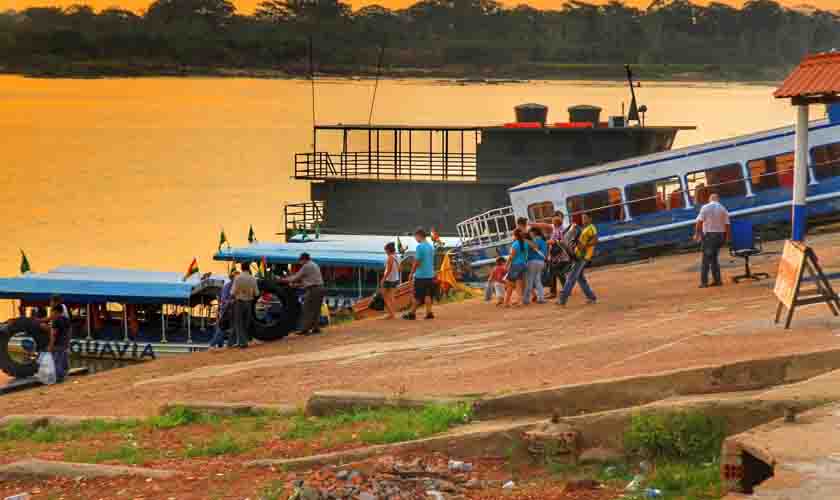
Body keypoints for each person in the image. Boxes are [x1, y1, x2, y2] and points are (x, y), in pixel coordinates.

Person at [557, 212, 598, 306]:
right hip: (578, 255)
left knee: (571, 277)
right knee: (580, 278)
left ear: (590, 219)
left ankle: (562, 300)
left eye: (585, 218)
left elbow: (595, 240)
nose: (583, 220)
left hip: (582, 256)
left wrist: (584, 246)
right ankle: (591, 297)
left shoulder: (591, 227)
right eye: (583, 218)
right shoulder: (584, 229)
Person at [282, 253, 327, 335]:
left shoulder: (306, 266)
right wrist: (297, 285)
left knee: (307, 309)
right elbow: (309, 281)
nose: (300, 262)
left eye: (300, 260)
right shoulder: (314, 264)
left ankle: (305, 329)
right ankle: (315, 328)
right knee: (316, 309)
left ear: (304, 259)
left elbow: (296, 277)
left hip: (314, 290)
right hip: (320, 288)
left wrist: (282, 280)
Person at [693, 193, 731, 288]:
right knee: (714, 258)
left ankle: (704, 282)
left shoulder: (705, 207)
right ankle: (717, 280)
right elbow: (727, 225)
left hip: (709, 236)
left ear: (710, 199)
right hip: (720, 236)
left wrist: (698, 234)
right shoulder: (723, 209)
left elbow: (699, 222)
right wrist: (727, 238)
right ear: (717, 199)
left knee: (705, 260)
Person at [404, 228, 436, 320]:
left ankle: (412, 313)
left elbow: (417, 262)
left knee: (417, 296)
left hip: (421, 275)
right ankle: (429, 312)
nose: (415, 239)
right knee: (428, 294)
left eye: (415, 237)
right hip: (430, 274)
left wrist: (411, 273)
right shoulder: (430, 247)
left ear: (419, 235)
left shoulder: (420, 247)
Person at [231, 262, 259, 348]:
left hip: (239, 302)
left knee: (239, 323)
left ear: (242, 268)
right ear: (248, 268)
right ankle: (243, 341)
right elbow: (257, 293)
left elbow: (232, 292)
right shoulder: (253, 279)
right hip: (249, 303)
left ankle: (242, 343)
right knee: (246, 322)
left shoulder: (238, 278)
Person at [209, 269, 239, 350]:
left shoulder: (236, 286)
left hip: (233, 310)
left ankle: (228, 345)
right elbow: (223, 300)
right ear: (232, 278)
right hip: (226, 311)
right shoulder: (227, 286)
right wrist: (231, 301)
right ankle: (213, 344)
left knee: (231, 328)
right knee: (222, 329)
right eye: (236, 277)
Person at [503, 228, 529, 307]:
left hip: (515, 265)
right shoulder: (526, 243)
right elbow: (525, 255)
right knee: (519, 285)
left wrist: (506, 265)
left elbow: (511, 256)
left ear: (515, 235)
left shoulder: (515, 244)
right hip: (523, 265)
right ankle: (519, 301)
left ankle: (506, 302)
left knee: (510, 284)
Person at [523, 227, 548, 304]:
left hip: (532, 261)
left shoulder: (533, 241)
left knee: (529, 281)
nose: (529, 234)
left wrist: (525, 240)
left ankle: (526, 300)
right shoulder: (543, 241)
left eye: (530, 232)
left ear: (533, 233)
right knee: (538, 281)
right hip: (541, 262)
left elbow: (533, 247)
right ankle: (541, 298)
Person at [48, 304, 71, 382]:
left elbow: (54, 334)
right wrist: (68, 343)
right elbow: (69, 332)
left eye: (52, 311)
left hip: (57, 344)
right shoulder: (66, 319)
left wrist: (51, 346)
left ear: (56, 311)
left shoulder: (56, 320)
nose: (51, 313)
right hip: (64, 343)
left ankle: (59, 378)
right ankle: (64, 376)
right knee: (63, 360)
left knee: (56, 361)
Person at [380, 242, 401, 319]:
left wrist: (383, 279)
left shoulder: (390, 257)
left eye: (385, 250)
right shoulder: (397, 257)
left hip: (389, 279)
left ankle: (391, 314)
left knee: (384, 295)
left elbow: (388, 270)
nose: (385, 252)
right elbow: (399, 268)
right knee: (392, 296)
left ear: (388, 250)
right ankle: (392, 313)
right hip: (395, 278)